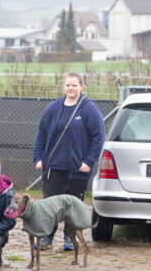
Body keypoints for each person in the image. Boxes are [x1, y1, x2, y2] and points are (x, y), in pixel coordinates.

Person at [32, 72, 105, 250]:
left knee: (73, 206)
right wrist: (38, 157)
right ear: (63, 87)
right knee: (50, 206)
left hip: (77, 169)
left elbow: (98, 138)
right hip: (53, 167)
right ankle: (46, 238)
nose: (70, 88)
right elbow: (41, 134)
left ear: (81, 87)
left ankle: (69, 238)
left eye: (74, 85)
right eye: (68, 85)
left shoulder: (89, 109)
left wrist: (88, 161)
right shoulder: (53, 108)